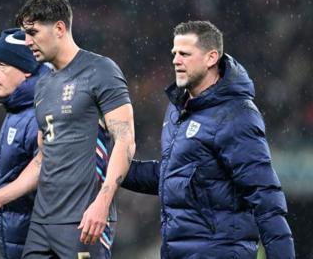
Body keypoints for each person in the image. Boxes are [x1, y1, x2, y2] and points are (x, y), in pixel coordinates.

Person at [0, 0, 136, 258]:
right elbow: (42, 159)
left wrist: (102, 202)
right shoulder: (43, 85)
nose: (27, 42)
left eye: (33, 32)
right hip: (41, 224)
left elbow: (125, 140)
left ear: (59, 28)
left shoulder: (100, 70)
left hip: (83, 221)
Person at [121, 20, 295, 258]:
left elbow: (266, 197)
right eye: (174, 53)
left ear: (211, 57)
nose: (175, 60)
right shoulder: (177, 110)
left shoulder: (236, 114)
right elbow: (173, 176)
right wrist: (110, 167)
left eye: (184, 53)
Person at [0, 28, 50, 259]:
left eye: (1, 64)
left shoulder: (40, 113)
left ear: (27, 71)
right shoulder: (17, 110)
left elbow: (47, 175)